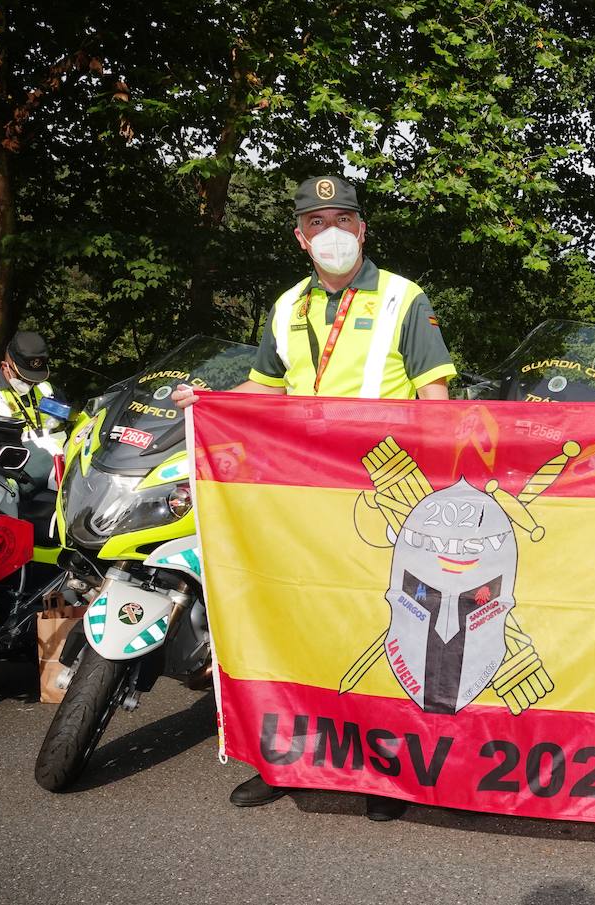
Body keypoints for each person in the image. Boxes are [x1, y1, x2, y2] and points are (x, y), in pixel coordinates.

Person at [174, 174, 456, 820]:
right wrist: (209, 399)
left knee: (374, 630)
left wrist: (431, 495)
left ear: (363, 228)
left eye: (343, 220)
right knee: (291, 626)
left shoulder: (403, 299)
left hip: (376, 497)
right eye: (316, 223)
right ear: (299, 237)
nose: (331, 233)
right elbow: (266, 389)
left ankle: (382, 772)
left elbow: (435, 400)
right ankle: (281, 759)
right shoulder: (287, 306)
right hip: (296, 496)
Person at [0, 331, 55, 427]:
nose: (30, 383)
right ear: (5, 367)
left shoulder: (48, 390)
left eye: (34, 379)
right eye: (23, 378)